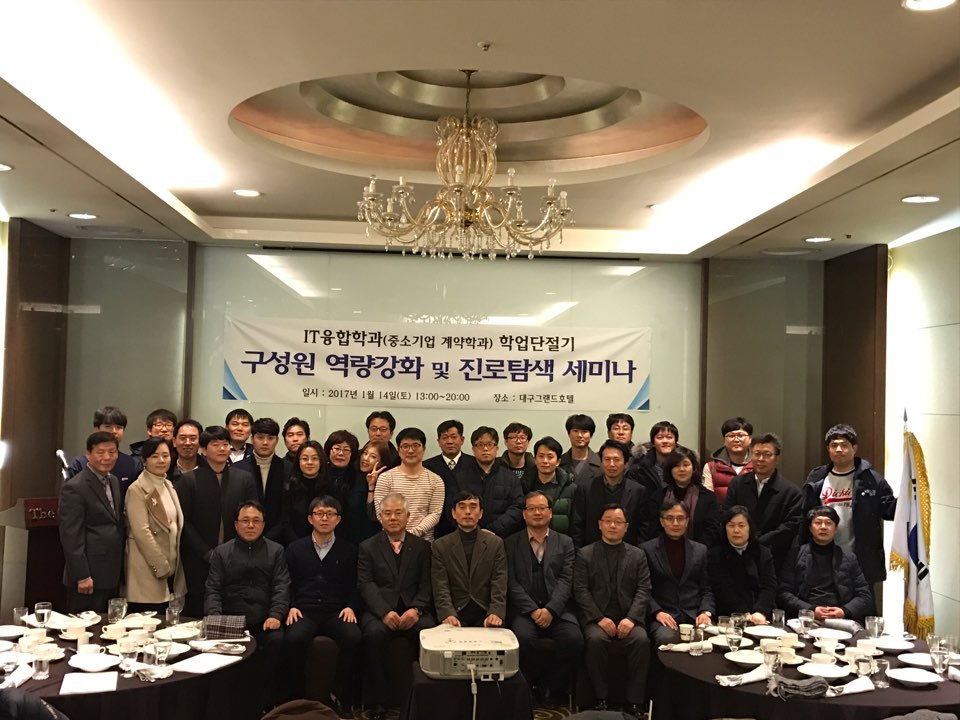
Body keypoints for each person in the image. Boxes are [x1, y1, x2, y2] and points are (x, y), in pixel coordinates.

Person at [206, 500, 290, 712]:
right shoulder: (221, 552)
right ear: (236, 524)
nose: (250, 525)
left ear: (263, 524)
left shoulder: (276, 551)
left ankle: (265, 703)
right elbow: (213, 589)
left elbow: (281, 586)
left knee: (277, 640)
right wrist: (215, 617)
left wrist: (276, 615)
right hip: (231, 620)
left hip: (265, 620)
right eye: (245, 520)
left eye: (256, 521)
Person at [357, 492, 435, 720]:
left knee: (427, 632)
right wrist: (384, 612)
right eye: (387, 513)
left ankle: (423, 701)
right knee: (373, 635)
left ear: (407, 516)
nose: (393, 518)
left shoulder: (422, 547)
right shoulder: (368, 546)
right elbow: (365, 583)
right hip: (379, 611)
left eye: (398, 513)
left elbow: (427, 583)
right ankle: (378, 703)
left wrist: (417, 609)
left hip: (414, 609)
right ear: (380, 517)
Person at [801, 423, 896, 607]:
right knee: (824, 608)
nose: (839, 450)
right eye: (834, 445)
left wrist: (908, 500)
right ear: (828, 449)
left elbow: (889, 510)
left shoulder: (871, 479)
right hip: (823, 556)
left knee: (861, 609)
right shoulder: (817, 477)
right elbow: (805, 515)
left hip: (860, 558)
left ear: (854, 448)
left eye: (844, 445)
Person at [504, 491, 582, 709]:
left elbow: (567, 579)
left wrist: (551, 609)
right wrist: (532, 610)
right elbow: (510, 582)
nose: (537, 513)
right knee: (521, 638)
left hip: (557, 610)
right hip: (525, 611)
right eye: (531, 509)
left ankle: (553, 688)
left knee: (574, 639)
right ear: (524, 514)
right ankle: (529, 688)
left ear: (550, 513)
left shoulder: (565, 542)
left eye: (542, 508)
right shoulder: (510, 543)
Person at [284, 496, 361, 715]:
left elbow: (357, 584)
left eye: (330, 514)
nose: (324, 518)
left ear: (338, 519)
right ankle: (298, 698)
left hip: (336, 611)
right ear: (310, 519)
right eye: (319, 514)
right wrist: (291, 605)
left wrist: (351, 606)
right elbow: (285, 582)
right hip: (304, 610)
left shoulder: (349, 550)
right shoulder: (295, 549)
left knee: (353, 637)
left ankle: (339, 695)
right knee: (293, 638)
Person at [572, 504, 651, 716]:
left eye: (618, 522)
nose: (613, 525)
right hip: (597, 619)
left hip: (629, 617)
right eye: (608, 521)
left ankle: (635, 701)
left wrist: (631, 618)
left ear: (626, 527)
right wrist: (599, 618)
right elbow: (580, 590)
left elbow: (644, 589)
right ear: (600, 525)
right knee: (595, 641)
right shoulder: (585, 554)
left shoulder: (638, 555)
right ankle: (601, 697)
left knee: (641, 641)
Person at [176, 425, 258, 618]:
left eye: (225, 443)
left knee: (234, 607)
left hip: (236, 556)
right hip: (199, 558)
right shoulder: (189, 480)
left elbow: (252, 517)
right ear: (203, 450)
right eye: (215, 444)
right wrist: (206, 553)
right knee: (198, 609)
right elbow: (184, 522)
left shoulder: (244, 479)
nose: (222, 448)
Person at [59, 431, 126, 612]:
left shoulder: (114, 481)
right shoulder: (75, 487)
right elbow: (71, 536)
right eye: (100, 452)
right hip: (88, 576)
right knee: (85, 626)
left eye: (112, 452)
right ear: (88, 454)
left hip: (111, 572)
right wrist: (82, 575)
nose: (107, 457)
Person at [777, 506, 874, 623]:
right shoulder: (795, 555)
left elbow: (864, 595)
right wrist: (810, 610)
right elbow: (783, 592)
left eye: (828, 523)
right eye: (818, 522)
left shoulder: (849, 557)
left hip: (840, 620)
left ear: (836, 528)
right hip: (804, 618)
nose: (823, 527)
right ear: (810, 528)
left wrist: (844, 611)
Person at [723, 432, 803, 574]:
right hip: (737, 553)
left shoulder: (791, 492)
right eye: (757, 454)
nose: (761, 459)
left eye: (767, 454)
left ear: (776, 458)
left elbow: (790, 526)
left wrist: (759, 542)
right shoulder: (737, 484)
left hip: (775, 558)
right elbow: (727, 514)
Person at [640, 499, 714, 646]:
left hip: (694, 615)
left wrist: (705, 611)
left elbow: (707, 589)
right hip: (663, 616)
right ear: (661, 521)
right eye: (670, 518)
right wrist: (657, 612)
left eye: (680, 518)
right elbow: (643, 590)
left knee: (711, 638)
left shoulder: (700, 550)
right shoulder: (646, 550)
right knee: (667, 639)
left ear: (687, 521)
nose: (675, 523)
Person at [124, 437, 186, 613]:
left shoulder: (168, 485)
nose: (161, 460)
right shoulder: (137, 489)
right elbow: (141, 532)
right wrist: (161, 565)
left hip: (171, 566)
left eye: (165, 456)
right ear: (144, 460)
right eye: (154, 456)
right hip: (148, 566)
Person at [431, 491, 508, 628]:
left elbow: (499, 580)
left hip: (486, 611)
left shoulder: (495, 543)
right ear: (453, 513)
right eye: (462, 507)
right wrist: (447, 613)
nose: (467, 512)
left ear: (481, 513)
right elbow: (440, 584)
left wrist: (495, 612)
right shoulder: (440, 545)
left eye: (473, 507)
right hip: (455, 611)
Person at [707, 505, 777, 623]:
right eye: (731, 525)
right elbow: (723, 589)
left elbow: (769, 586)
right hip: (728, 616)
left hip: (761, 616)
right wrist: (743, 613)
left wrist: (760, 611)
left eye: (741, 525)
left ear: (750, 528)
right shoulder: (715, 554)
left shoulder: (763, 553)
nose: (736, 530)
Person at [374, 428, 445, 542]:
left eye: (416, 446)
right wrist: (399, 534)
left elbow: (435, 514)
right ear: (398, 450)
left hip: (424, 542)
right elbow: (380, 512)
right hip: (390, 541)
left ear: (424, 449)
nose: (411, 451)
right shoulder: (385, 478)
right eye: (405, 446)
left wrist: (412, 535)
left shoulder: (436, 480)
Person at [571, 440, 645, 547]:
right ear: (601, 462)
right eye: (607, 459)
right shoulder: (585, 489)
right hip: (592, 551)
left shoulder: (638, 491)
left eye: (616, 460)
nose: (611, 464)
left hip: (628, 552)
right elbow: (577, 526)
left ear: (626, 463)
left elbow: (643, 528)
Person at [643, 446, 720, 546]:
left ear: (693, 468)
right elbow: (653, 529)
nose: (682, 469)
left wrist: (696, 550)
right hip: (663, 551)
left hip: (700, 551)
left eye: (686, 465)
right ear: (670, 469)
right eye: (676, 466)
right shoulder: (658, 497)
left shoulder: (708, 497)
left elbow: (712, 529)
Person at [460, 427, 524, 538]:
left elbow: (517, 508)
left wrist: (493, 529)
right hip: (468, 536)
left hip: (501, 537)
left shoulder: (510, 477)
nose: (485, 449)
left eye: (490, 444)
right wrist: (473, 530)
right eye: (480, 445)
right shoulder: (461, 476)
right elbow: (455, 507)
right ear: (473, 449)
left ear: (497, 448)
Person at [66, 405, 142, 495]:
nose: (114, 431)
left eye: (119, 427)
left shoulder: (132, 463)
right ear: (97, 429)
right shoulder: (79, 464)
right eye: (108, 426)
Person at [235, 418, 287, 538]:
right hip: (244, 536)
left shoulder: (287, 469)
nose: (265, 442)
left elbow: (287, 511)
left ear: (277, 440)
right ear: (252, 439)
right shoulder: (237, 469)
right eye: (260, 437)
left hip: (280, 538)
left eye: (270, 438)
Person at [338, 440, 392, 545]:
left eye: (373, 456)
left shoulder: (384, 480)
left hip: (370, 537)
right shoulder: (350, 475)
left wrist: (371, 486)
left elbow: (374, 515)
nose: (366, 458)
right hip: (347, 535)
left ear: (381, 463)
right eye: (365, 453)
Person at [524, 436, 578, 535]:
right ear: (535, 460)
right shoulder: (525, 486)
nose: (545, 461)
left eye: (550, 457)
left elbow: (577, 523)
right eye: (541, 456)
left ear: (558, 462)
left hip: (562, 542)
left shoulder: (571, 488)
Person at [277, 440, 328, 545]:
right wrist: (298, 545)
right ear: (298, 462)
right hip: (294, 544)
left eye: (314, 458)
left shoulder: (330, 487)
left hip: (326, 543)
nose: (309, 462)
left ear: (321, 461)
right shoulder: (289, 488)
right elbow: (285, 522)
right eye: (305, 458)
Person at [702, 417, 753, 502]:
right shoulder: (711, 467)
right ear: (724, 440)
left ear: (750, 439)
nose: (736, 440)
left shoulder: (759, 465)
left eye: (740, 435)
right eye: (731, 436)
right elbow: (707, 501)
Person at [626, 420, 678, 497]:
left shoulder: (684, 465)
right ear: (653, 442)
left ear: (675, 442)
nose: (665, 441)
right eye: (660, 437)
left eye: (669, 437)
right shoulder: (639, 467)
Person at [559, 414, 602, 489]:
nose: (579, 435)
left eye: (584, 431)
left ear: (591, 435)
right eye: (575, 431)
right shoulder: (559, 462)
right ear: (569, 434)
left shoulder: (601, 463)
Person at [501, 422, 536, 486]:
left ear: (528, 442)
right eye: (514, 437)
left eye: (522, 438)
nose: (518, 441)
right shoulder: (496, 466)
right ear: (506, 442)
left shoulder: (536, 468)